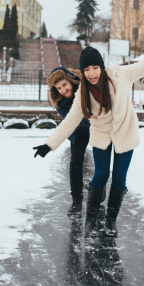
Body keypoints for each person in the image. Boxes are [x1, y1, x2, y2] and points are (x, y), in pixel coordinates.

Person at [34, 31, 144, 237]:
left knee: (119, 178)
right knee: (100, 174)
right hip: (101, 135)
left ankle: (111, 221)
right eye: (87, 69)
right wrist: (49, 144)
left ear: (101, 67)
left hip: (125, 132)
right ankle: (90, 220)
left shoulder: (121, 75)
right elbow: (70, 121)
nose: (91, 73)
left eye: (95, 67)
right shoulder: (83, 92)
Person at [47, 67, 96, 216]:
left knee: (102, 162)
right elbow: (75, 121)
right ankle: (76, 200)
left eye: (64, 85)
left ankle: (98, 197)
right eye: (59, 88)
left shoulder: (86, 88)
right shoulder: (60, 102)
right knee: (75, 163)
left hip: (98, 128)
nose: (63, 90)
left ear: (71, 81)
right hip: (78, 131)